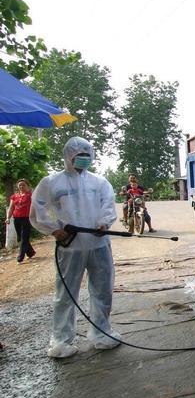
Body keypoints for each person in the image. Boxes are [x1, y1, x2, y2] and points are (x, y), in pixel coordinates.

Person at [30, 137, 121, 358]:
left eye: (86, 156)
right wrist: (53, 229)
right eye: (78, 157)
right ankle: (61, 340)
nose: (83, 160)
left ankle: (102, 333)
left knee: (102, 290)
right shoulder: (52, 183)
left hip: (98, 244)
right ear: (68, 158)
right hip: (69, 246)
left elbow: (108, 206)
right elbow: (38, 208)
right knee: (65, 294)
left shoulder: (99, 182)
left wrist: (103, 223)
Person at [5, 179, 36, 262]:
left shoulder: (31, 195)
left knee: (24, 237)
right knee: (20, 237)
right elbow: (11, 208)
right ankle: (30, 252)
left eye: (23, 185)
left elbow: (36, 207)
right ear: (17, 186)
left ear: (27, 186)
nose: (21, 186)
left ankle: (20, 257)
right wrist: (8, 218)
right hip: (17, 219)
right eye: (20, 185)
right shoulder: (14, 196)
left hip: (27, 218)